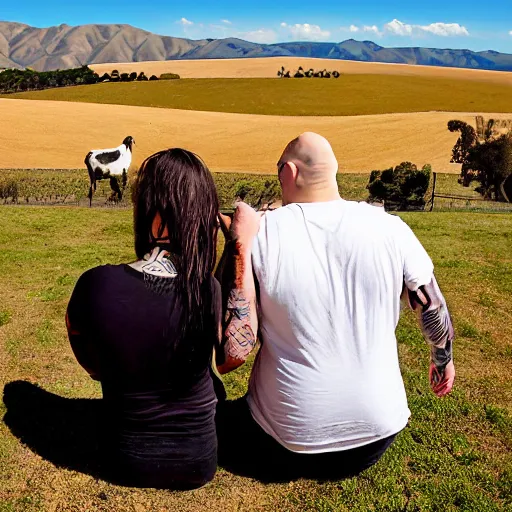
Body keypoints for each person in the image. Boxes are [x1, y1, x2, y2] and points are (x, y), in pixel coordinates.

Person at [215, 132, 455, 481]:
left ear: (290, 172)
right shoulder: (391, 227)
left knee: (210, 418)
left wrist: (238, 241)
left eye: (279, 168)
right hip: (380, 434)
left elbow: (233, 347)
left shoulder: (262, 233)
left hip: (287, 441)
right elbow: (430, 303)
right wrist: (442, 359)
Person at [66, 148, 222, 489]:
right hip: (199, 462)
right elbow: (228, 359)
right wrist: (240, 247)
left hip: (122, 458)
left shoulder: (96, 284)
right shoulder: (207, 290)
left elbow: (92, 367)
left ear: (148, 210)